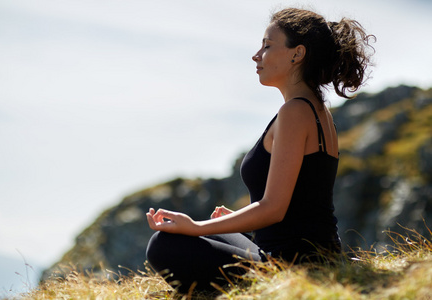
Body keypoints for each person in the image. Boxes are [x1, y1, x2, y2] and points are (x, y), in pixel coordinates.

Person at [145, 7, 375, 293]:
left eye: (267, 46)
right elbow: (299, 206)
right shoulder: (316, 110)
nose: (257, 55)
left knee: (164, 244)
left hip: (293, 266)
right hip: (311, 255)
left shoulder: (294, 112)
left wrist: (197, 226)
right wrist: (236, 221)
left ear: (297, 54)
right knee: (211, 235)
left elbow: (274, 209)